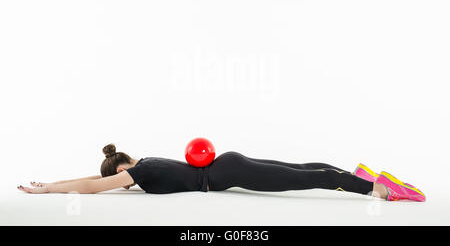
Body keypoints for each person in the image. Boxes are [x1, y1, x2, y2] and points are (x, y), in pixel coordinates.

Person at [17, 144, 425, 202]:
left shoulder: (137, 173)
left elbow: (92, 186)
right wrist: (51, 182)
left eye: (117, 179)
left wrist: (48, 189)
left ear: (120, 169)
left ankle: (380, 191)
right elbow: (90, 180)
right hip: (228, 162)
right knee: (302, 169)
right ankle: (364, 174)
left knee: (304, 178)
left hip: (224, 173)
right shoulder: (148, 163)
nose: (119, 185)